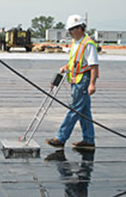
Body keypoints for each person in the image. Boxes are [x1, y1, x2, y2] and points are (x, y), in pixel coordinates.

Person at [46, 14, 99, 149]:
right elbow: (75, 62)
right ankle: (89, 140)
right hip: (75, 80)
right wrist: (66, 67)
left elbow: (93, 66)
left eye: (72, 30)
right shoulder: (76, 43)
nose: (70, 32)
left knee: (74, 109)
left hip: (83, 81)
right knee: (84, 111)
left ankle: (61, 137)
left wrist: (92, 84)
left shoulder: (88, 44)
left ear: (80, 28)